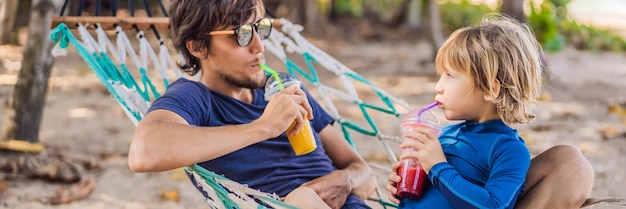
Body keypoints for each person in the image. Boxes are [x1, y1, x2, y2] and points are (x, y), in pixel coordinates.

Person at [127, 0, 376, 208]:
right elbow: (144, 153)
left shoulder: (285, 90)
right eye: (242, 34)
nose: (259, 46)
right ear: (198, 47)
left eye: (260, 28)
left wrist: (344, 180)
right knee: (302, 200)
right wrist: (265, 127)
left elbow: (364, 173)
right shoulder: (195, 97)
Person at [386, 14, 594, 209]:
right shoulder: (444, 137)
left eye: (450, 76)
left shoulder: (508, 150)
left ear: (490, 89)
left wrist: (437, 167)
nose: (438, 86)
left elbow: (493, 205)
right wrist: (402, 186)